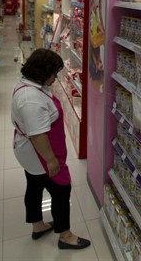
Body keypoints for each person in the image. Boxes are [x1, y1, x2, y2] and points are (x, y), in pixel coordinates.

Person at [11, 49, 91, 250]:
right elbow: (38, 135)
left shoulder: (28, 84)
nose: (56, 77)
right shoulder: (31, 99)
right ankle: (66, 236)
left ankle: (37, 225)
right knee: (62, 190)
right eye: (54, 73)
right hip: (39, 153)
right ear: (42, 72)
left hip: (29, 151)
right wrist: (51, 160)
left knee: (35, 185)